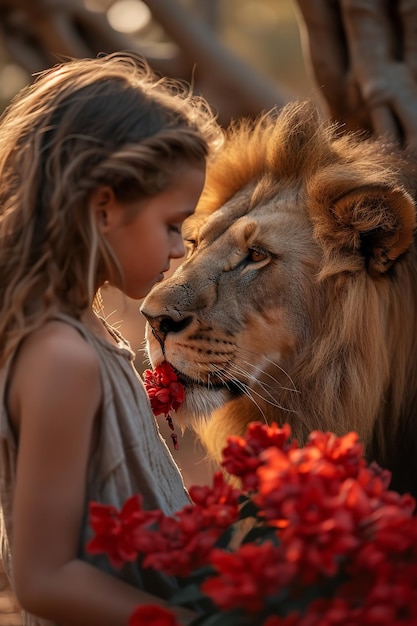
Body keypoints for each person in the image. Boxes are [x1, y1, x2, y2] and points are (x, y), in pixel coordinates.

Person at [0, 51, 222, 626]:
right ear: (104, 208)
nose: (179, 250)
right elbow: (44, 580)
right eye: (172, 224)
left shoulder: (83, 332)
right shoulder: (61, 358)